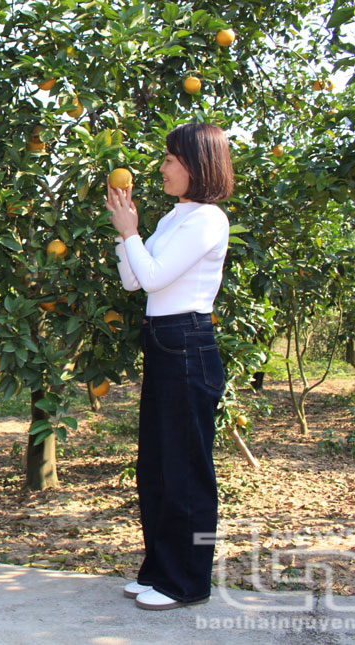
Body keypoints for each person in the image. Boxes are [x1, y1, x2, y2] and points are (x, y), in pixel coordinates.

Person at [105, 123, 234, 611]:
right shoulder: (174, 218)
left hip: (188, 342)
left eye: (170, 161)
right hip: (162, 340)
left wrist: (131, 233)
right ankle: (159, 570)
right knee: (157, 465)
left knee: (187, 469)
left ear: (198, 165)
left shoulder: (208, 220)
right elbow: (135, 283)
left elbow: (155, 276)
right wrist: (127, 235)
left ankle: (188, 582)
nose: (161, 168)